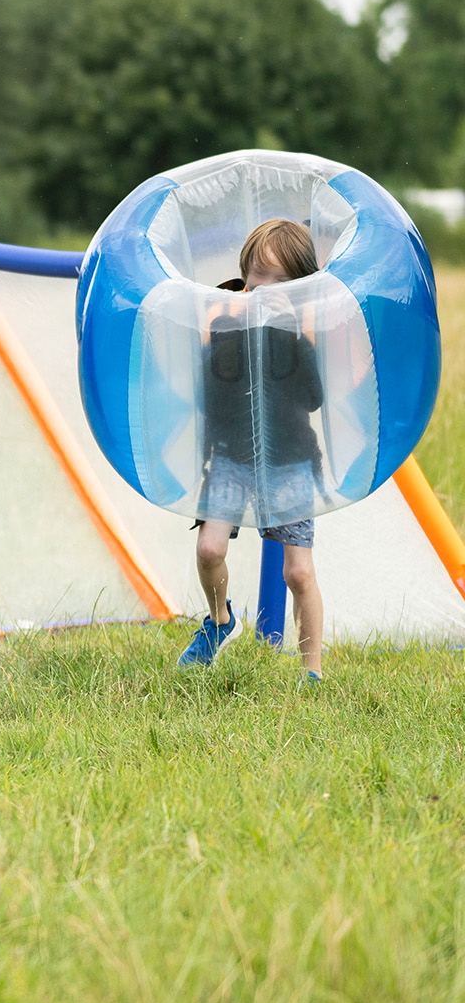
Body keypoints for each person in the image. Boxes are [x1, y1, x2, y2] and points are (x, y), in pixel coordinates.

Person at [179, 218, 329, 677]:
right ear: (244, 275)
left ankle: (312, 673)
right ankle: (221, 620)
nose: (265, 288)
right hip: (230, 456)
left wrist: (292, 334)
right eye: (258, 275)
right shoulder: (227, 325)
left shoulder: (298, 334)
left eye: (281, 280)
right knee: (209, 549)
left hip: (289, 461)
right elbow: (207, 391)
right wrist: (221, 336)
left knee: (298, 573)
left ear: (301, 288)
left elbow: (313, 398)